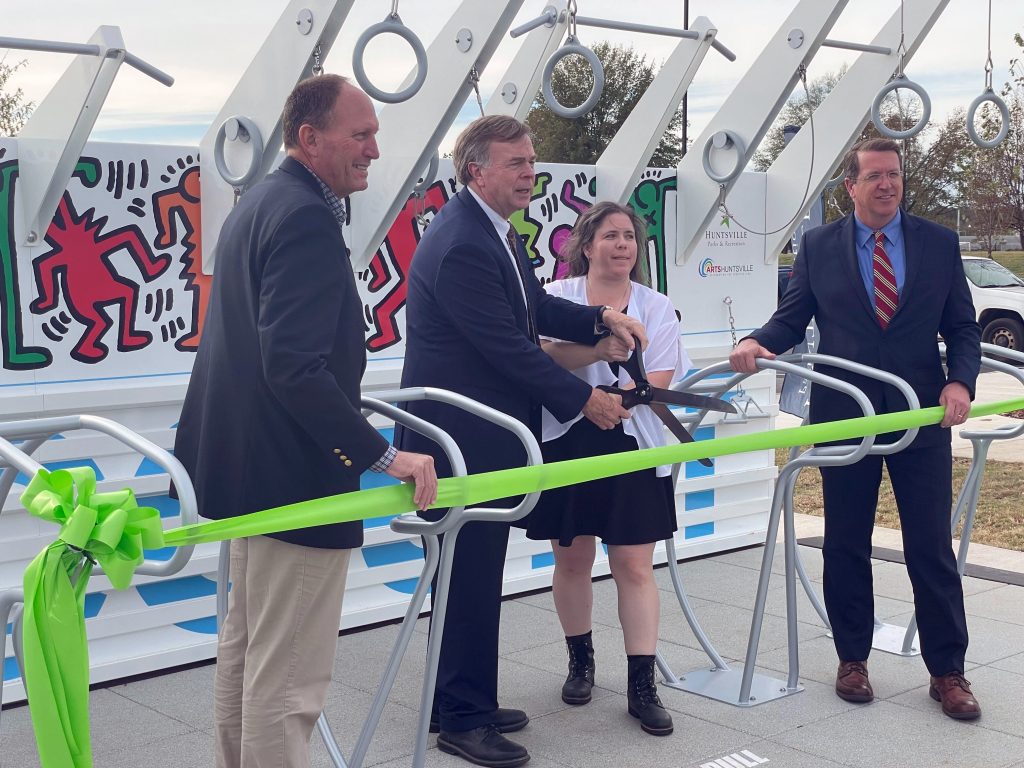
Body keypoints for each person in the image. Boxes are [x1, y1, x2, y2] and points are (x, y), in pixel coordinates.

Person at [172, 75, 438, 768]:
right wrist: (385, 455)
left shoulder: (260, 202)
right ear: (309, 138)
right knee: (288, 678)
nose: (375, 150)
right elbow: (292, 365)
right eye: (361, 134)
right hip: (293, 478)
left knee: (249, 650)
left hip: (244, 472)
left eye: (375, 134)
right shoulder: (304, 218)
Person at [397, 116, 646, 768]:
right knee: (468, 579)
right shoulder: (464, 244)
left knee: (473, 579)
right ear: (476, 169)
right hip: (460, 444)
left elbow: (533, 306)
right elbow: (508, 349)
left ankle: (456, 702)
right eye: (516, 162)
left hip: (479, 439)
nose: (530, 171)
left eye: (532, 160)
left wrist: (600, 317)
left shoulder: (491, 233)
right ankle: (463, 718)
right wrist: (585, 399)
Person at [729, 138, 982, 720]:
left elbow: (963, 327)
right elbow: (792, 317)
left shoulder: (937, 244)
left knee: (929, 546)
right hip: (845, 414)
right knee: (846, 541)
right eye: (875, 176)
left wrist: (960, 383)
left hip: (920, 414)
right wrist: (756, 342)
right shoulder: (819, 246)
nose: (887, 185)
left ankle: (948, 671)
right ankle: (852, 659)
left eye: (894, 175)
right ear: (852, 186)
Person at [523, 201, 687, 737]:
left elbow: (658, 375)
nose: (622, 245)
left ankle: (643, 684)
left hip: (633, 440)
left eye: (630, 237)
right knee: (572, 558)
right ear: (586, 244)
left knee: (635, 566)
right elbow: (540, 358)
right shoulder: (557, 296)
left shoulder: (656, 305)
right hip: (568, 435)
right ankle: (580, 662)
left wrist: (616, 395)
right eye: (611, 235)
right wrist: (596, 351)